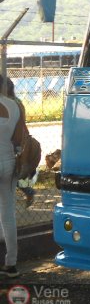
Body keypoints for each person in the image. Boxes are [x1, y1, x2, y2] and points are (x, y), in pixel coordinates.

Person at [0, 75, 25, 277]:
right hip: (8, 163)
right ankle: (11, 263)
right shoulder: (15, 106)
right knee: (8, 215)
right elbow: (18, 139)